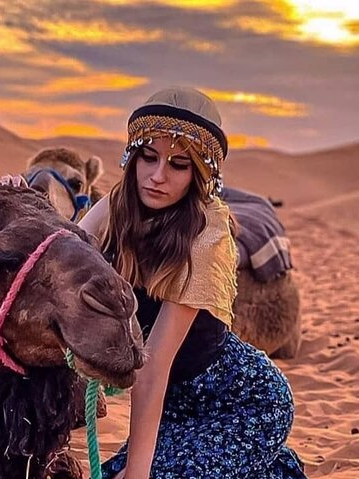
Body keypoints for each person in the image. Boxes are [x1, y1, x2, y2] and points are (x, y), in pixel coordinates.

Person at [74, 87, 307, 478]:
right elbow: (59, 254)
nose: (157, 176)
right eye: (148, 157)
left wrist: (137, 474)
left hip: (242, 401)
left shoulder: (206, 234)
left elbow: (154, 364)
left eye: (179, 165)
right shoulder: (115, 207)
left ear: (199, 174)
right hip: (173, 408)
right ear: (132, 158)